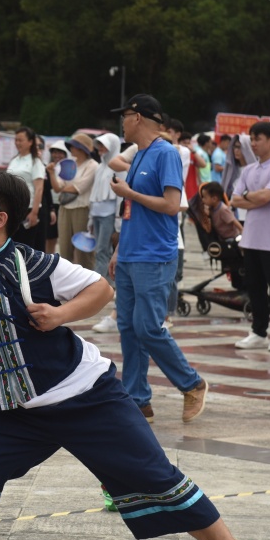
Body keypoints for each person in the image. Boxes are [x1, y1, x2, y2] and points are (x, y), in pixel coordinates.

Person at [0, 168, 246, 540]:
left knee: (159, 479)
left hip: (88, 397)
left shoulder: (35, 264)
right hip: (16, 411)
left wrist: (61, 315)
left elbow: (101, 289)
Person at [109, 94, 208, 422]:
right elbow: (130, 209)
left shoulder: (166, 153)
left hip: (154, 254)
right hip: (131, 253)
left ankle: (192, 383)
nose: (121, 123)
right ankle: (137, 399)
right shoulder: (139, 155)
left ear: (137, 117)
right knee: (127, 326)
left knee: (147, 327)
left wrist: (130, 193)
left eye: (123, 117)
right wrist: (119, 249)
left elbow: (171, 204)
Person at [229, 122, 270, 352]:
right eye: (252, 139)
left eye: (258, 139)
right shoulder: (248, 170)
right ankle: (258, 330)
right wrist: (249, 197)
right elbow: (234, 199)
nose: (253, 144)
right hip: (251, 237)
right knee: (254, 286)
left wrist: (248, 196)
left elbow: (267, 197)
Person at [46, 133, 96, 269]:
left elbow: (78, 188)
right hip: (64, 209)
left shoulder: (92, 165)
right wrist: (51, 173)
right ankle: (66, 282)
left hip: (82, 209)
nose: (71, 149)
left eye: (74, 146)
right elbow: (57, 188)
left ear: (81, 149)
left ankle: (88, 282)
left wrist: (64, 187)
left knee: (83, 251)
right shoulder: (69, 163)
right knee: (65, 249)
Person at [90, 132, 124, 288]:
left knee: (103, 249)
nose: (100, 149)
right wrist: (90, 218)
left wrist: (118, 220)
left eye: (103, 145)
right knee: (100, 249)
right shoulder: (100, 167)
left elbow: (120, 196)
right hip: (97, 213)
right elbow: (94, 194)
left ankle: (99, 284)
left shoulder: (118, 167)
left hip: (109, 214)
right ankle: (104, 282)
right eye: (99, 145)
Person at [6, 127, 46, 251]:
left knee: (27, 247)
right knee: (13, 246)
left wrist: (34, 212)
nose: (17, 143)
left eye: (21, 140)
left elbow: (39, 189)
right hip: (13, 208)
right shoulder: (14, 160)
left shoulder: (35, 162)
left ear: (30, 142)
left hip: (28, 209)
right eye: (16, 140)